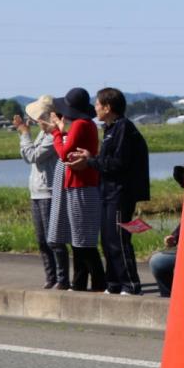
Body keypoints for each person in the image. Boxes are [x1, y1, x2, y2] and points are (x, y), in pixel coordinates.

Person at [65, 88, 150, 295]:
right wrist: (91, 157)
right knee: (107, 240)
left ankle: (130, 285)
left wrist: (90, 161)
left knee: (118, 240)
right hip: (107, 192)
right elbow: (107, 160)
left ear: (107, 107)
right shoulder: (111, 128)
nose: (95, 108)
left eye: (97, 104)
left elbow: (118, 163)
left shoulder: (123, 127)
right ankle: (113, 284)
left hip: (120, 193)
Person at [47, 87, 104, 292]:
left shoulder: (80, 124)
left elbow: (64, 153)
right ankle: (80, 283)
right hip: (81, 184)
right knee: (79, 238)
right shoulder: (87, 124)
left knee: (82, 239)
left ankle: (98, 282)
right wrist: (62, 131)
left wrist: (55, 132)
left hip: (81, 185)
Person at [15, 95, 62, 289]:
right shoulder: (43, 134)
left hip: (48, 192)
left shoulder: (52, 135)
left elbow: (32, 156)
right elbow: (29, 154)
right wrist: (26, 134)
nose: (35, 120)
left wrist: (24, 134)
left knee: (53, 240)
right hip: (36, 192)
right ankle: (51, 277)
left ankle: (61, 278)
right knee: (42, 240)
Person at [149, 164, 184, 298]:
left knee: (159, 261)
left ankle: (170, 298)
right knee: (158, 261)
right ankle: (169, 299)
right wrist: (173, 238)